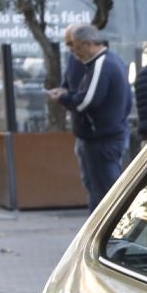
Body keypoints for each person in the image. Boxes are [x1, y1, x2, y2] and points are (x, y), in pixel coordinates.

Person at [48, 24, 132, 210]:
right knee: (100, 190)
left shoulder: (102, 64)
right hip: (103, 135)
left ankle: (108, 235)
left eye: (75, 46)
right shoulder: (107, 62)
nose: (73, 53)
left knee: (105, 194)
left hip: (101, 138)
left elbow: (86, 101)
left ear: (87, 44)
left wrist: (63, 98)